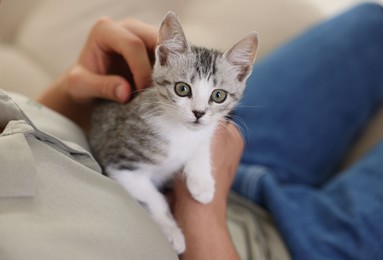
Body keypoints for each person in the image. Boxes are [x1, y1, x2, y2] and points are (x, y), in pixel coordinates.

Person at [1, 3, 382, 260]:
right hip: (269, 239)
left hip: (211, 141)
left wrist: (72, 90)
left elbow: (33, 131)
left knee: (371, 22)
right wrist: (204, 215)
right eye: (185, 88)